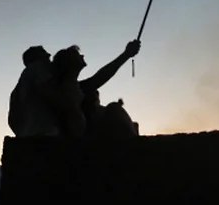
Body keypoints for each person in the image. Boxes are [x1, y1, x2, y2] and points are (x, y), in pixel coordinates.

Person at [9, 40, 141, 138]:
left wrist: (126, 55)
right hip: (42, 137)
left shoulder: (69, 87)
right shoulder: (36, 69)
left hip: (47, 136)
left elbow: (98, 78)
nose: (49, 57)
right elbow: (66, 105)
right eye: (45, 56)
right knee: (114, 110)